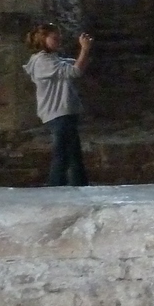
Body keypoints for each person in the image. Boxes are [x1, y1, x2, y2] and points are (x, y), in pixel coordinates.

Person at [24, 23, 94, 186]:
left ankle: (78, 187)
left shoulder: (51, 59)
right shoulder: (43, 61)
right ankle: (56, 189)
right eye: (55, 38)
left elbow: (74, 65)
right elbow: (75, 71)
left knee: (71, 154)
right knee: (63, 156)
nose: (58, 40)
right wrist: (84, 50)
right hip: (58, 113)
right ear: (43, 39)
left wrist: (84, 54)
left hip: (62, 113)